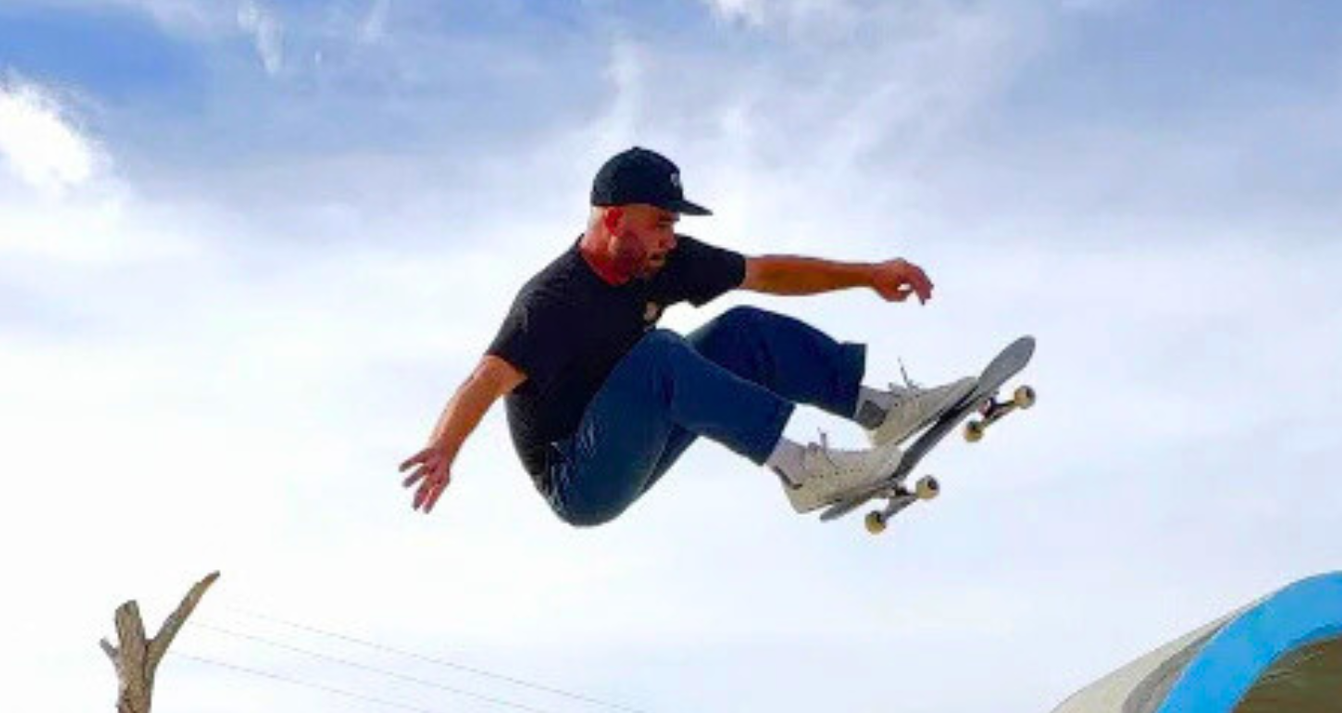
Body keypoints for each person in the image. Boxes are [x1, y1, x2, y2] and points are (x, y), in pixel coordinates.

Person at [400, 146, 967, 526]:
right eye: (661, 224)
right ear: (615, 219)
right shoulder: (552, 301)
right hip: (581, 478)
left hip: (640, 428)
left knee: (741, 329)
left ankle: (874, 410)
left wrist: (867, 275)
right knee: (660, 354)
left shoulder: (663, 260)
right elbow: (487, 378)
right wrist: (445, 449)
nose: (670, 239)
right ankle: (801, 470)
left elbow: (766, 272)